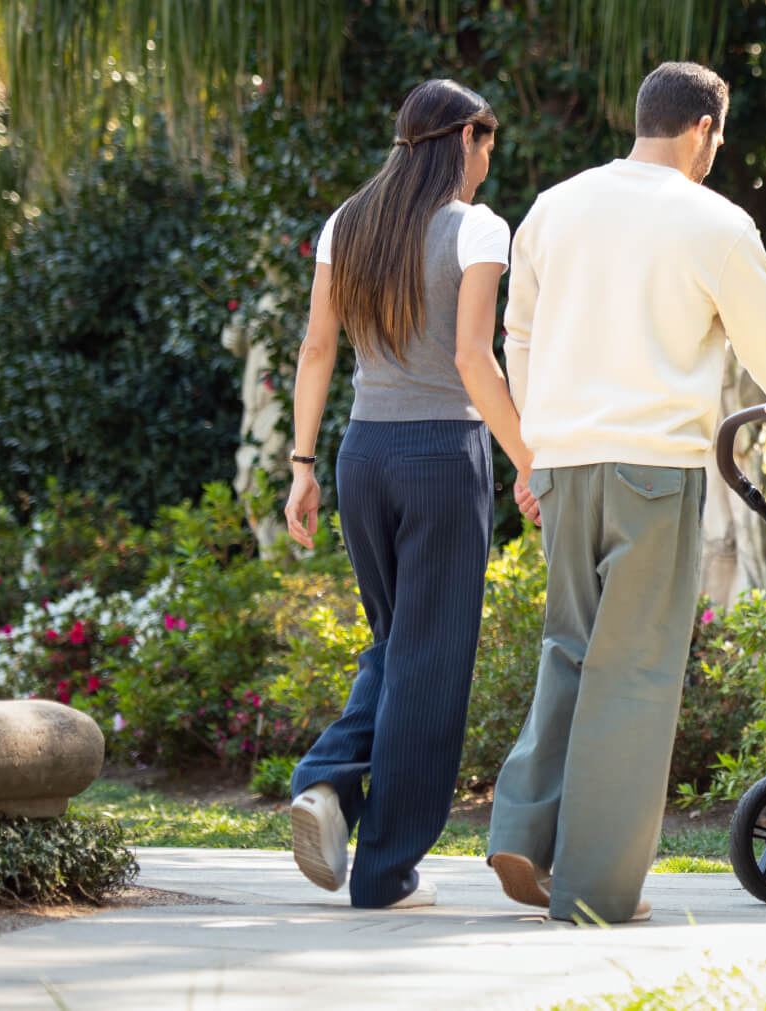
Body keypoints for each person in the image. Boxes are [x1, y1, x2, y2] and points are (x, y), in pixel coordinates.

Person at [486, 61, 766, 924]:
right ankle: (599, 889)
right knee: (635, 674)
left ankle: (524, 829)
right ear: (703, 130)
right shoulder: (714, 221)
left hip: (564, 463)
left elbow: (516, 337)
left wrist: (536, 449)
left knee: (569, 648)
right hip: (655, 467)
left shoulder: (555, 208)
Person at [281, 78, 533, 910]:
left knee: (397, 644)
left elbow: (318, 348)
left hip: (361, 453)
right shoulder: (477, 228)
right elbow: (473, 359)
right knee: (431, 659)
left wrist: (302, 464)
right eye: (487, 142)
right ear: (465, 137)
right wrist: (528, 459)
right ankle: (385, 871)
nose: (490, 161)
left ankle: (327, 787)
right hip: (441, 453)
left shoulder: (345, 224)